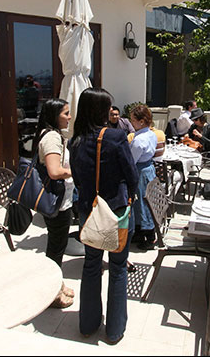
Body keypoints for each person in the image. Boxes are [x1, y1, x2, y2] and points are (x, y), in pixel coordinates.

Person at [69, 88, 139, 343]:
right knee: (118, 268)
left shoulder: (74, 141)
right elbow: (132, 175)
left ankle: (87, 324)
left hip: (90, 213)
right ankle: (114, 330)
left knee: (91, 266)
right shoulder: (116, 137)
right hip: (117, 211)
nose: (112, 111)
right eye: (109, 107)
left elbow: (77, 180)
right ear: (100, 110)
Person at [32, 98, 76, 309]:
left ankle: (57, 283)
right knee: (56, 248)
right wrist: (78, 171)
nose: (69, 117)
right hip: (57, 202)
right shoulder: (51, 138)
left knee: (57, 245)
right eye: (65, 113)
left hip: (60, 199)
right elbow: (55, 171)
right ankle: (52, 293)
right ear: (54, 115)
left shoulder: (52, 135)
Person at [128, 104, 158, 251]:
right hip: (148, 169)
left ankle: (150, 236)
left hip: (140, 171)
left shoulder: (139, 140)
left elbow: (131, 160)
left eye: (133, 120)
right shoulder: (151, 134)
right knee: (143, 203)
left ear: (141, 121)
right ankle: (140, 232)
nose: (131, 123)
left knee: (142, 203)